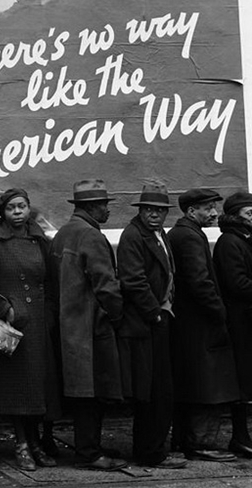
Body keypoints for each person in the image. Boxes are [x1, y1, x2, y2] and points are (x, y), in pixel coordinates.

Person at [0, 188, 60, 472]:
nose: (18, 212)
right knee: (17, 389)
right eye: (11, 208)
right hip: (11, 327)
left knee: (38, 388)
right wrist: (6, 309)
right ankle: (21, 444)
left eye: (22, 206)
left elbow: (51, 280)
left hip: (38, 324)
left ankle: (35, 442)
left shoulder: (38, 240)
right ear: (3, 212)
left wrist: (48, 314)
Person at [49, 180, 127, 471]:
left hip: (68, 326)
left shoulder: (63, 233)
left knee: (82, 391)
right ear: (92, 207)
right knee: (94, 392)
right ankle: (89, 452)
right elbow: (106, 285)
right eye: (104, 204)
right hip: (92, 327)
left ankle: (89, 447)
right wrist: (116, 315)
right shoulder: (91, 235)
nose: (107, 208)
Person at [116, 183, 187, 469]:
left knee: (161, 389)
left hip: (161, 317)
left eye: (160, 211)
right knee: (152, 390)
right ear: (141, 211)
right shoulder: (134, 235)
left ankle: (155, 447)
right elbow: (132, 280)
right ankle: (150, 452)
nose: (155, 215)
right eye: (149, 210)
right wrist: (154, 313)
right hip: (146, 323)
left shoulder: (159, 235)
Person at [168, 188, 239, 462]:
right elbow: (200, 282)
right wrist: (219, 311)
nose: (213, 213)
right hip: (200, 324)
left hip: (188, 323)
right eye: (208, 208)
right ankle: (200, 443)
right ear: (191, 211)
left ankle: (184, 440)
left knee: (192, 383)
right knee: (206, 385)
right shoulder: (189, 236)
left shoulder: (181, 233)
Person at [213, 191, 252, 458]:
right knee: (243, 381)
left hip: (248, 319)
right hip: (241, 322)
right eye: (249, 213)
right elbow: (236, 284)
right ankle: (240, 437)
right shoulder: (229, 242)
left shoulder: (244, 240)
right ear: (235, 215)